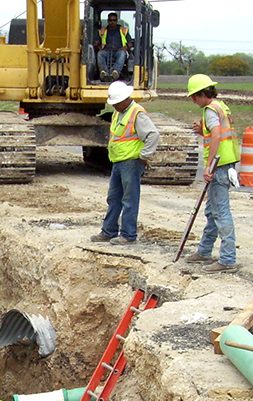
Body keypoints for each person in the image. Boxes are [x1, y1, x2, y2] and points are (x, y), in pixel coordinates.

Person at [90, 81, 160, 246]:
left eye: (116, 103)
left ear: (124, 100)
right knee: (114, 198)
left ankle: (128, 235)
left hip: (131, 162)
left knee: (129, 199)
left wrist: (144, 156)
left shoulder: (137, 113)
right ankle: (108, 231)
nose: (114, 106)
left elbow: (153, 135)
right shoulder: (119, 112)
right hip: (118, 161)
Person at [184, 74, 241, 274]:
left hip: (220, 164)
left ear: (202, 94)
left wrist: (208, 167)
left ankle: (227, 259)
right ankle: (204, 250)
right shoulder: (221, 106)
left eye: (194, 96)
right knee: (212, 211)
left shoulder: (210, 110)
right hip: (227, 161)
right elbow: (217, 133)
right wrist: (203, 132)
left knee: (220, 212)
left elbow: (217, 135)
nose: (193, 100)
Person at [94, 13, 132, 82]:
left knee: (122, 54)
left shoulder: (123, 31)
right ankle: (104, 72)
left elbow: (131, 43)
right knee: (100, 54)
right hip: (106, 52)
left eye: (114, 20)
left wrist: (125, 47)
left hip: (118, 51)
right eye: (110, 20)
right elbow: (96, 41)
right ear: (108, 21)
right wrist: (97, 44)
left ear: (117, 21)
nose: (112, 22)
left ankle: (115, 72)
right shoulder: (102, 31)